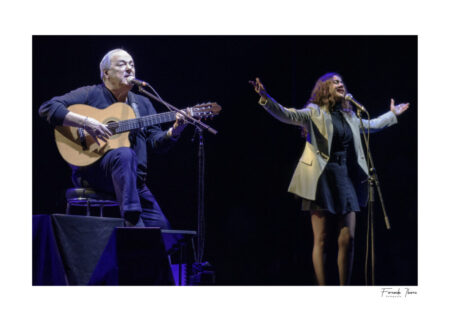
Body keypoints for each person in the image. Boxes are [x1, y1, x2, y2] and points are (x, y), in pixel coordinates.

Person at [250, 73, 409, 285]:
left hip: (343, 176)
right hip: (320, 176)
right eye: (335, 82)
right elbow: (288, 114)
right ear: (325, 88)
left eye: (342, 81)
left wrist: (392, 114)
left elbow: (371, 124)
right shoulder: (314, 112)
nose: (340, 84)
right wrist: (266, 98)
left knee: (348, 239)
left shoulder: (349, 116)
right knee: (322, 239)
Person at [39, 48, 188, 228]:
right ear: (106, 73)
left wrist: (176, 130)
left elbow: (156, 144)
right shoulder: (91, 93)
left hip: (134, 181)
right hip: (95, 172)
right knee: (124, 154)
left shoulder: (142, 103)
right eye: (122, 64)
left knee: (163, 231)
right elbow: (48, 108)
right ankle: (132, 221)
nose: (129, 69)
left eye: (132, 65)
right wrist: (86, 122)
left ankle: (139, 234)